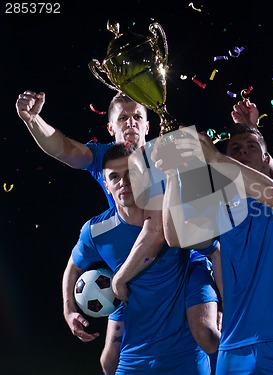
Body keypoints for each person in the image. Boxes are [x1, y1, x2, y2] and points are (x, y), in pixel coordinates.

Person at [16, 91, 221, 374]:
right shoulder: (103, 159)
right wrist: (33, 119)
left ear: (148, 126)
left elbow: (211, 163)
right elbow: (62, 147)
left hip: (182, 256)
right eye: (123, 118)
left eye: (138, 116)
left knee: (205, 334)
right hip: (133, 257)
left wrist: (197, 148)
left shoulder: (167, 153)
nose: (131, 123)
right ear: (110, 127)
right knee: (109, 360)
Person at [157, 124, 273, 374]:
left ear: (267, 159)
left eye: (251, 147)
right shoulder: (220, 206)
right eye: (235, 148)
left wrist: (214, 156)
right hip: (233, 347)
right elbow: (175, 236)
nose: (242, 152)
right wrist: (172, 174)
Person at [62, 142, 217, 374]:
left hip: (185, 355)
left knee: (209, 337)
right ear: (106, 185)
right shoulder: (96, 231)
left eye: (130, 174)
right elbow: (72, 267)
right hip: (135, 356)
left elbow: (215, 251)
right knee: (107, 363)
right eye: (114, 177)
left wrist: (222, 305)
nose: (123, 182)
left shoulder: (171, 215)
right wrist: (69, 310)